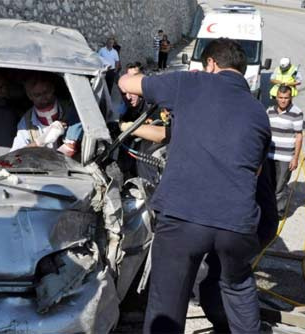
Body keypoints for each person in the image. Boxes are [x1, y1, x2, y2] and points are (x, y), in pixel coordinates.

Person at [118, 37, 271, 334]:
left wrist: (129, 76)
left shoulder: (191, 83)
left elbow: (128, 83)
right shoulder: (258, 113)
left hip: (183, 217)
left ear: (211, 64)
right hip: (236, 225)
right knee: (238, 287)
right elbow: (255, 172)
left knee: (168, 300)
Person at [10, 71, 83, 157]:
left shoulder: (72, 110)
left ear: (52, 89)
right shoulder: (26, 123)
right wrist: (40, 141)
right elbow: (15, 156)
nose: (44, 98)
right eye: (37, 95)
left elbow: (70, 148)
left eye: (46, 92)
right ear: (30, 96)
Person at [267, 85, 303, 219]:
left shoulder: (297, 112)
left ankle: (278, 214)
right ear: (276, 97)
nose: (283, 101)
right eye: (280, 98)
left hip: (285, 157)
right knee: (269, 185)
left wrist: (295, 158)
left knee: (280, 187)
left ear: (291, 97)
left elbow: (299, 136)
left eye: (286, 98)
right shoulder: (270, 111)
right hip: (269, 156)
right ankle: (268, 210)